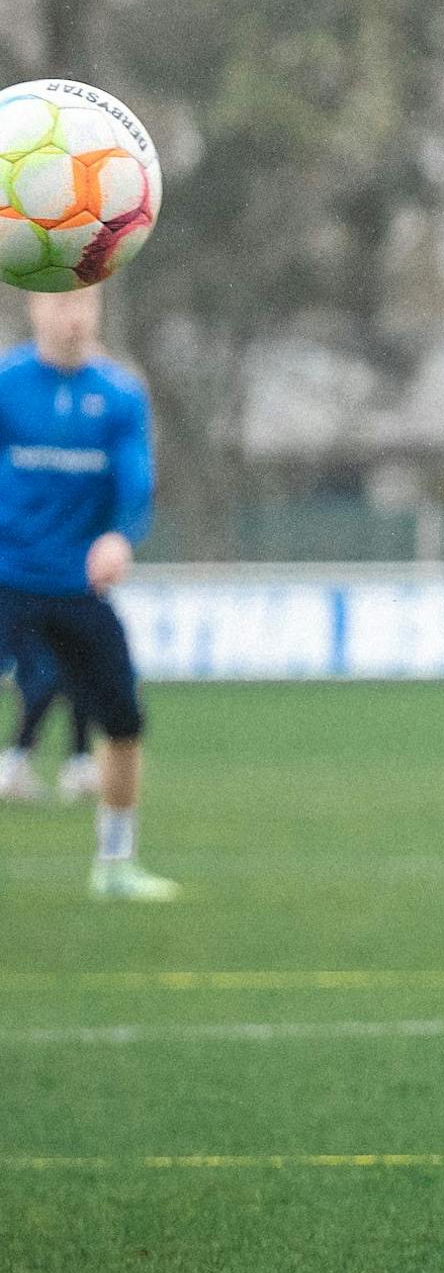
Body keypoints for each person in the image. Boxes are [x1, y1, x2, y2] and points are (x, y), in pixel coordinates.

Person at [0, 288, 174, 901]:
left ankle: (116, 862)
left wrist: (120, 538)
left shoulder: (121, 394)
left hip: (77, 588)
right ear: (34, 310)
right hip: (5, 577)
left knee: (124, 722)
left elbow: (136, 486)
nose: (73, 316)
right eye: (60, 304)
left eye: (85, 304)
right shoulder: (6, 382)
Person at [0, 627, 97, 802]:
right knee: (46, 681)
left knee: (76, 683)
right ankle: (15, 763)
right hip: (43, 615)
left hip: (59, 615)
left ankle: (79, 762)